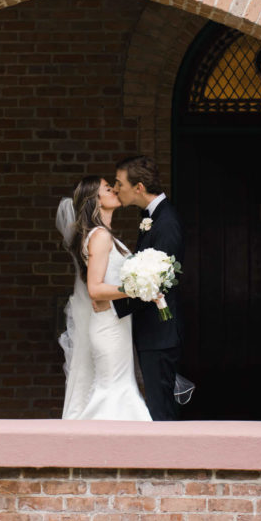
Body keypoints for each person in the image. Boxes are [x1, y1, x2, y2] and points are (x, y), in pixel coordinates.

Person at [57, 176, 152, 421]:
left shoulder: (103, 235)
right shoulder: (100, 236)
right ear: (95, 201)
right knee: (113, 390)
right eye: (108, 189)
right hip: (108, 327)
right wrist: (138, 288)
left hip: (116, 324)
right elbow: (95, 290)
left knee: (120, 388)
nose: (115, 190)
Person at [112, 156, 185, 421]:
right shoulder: (151, 218)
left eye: (120, 184)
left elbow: (158, 282)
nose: (116, 188)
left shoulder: (166, 222)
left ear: (139, 187)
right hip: (152, 332)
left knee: (161, 409)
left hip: (160, 333)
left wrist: (112, 307)